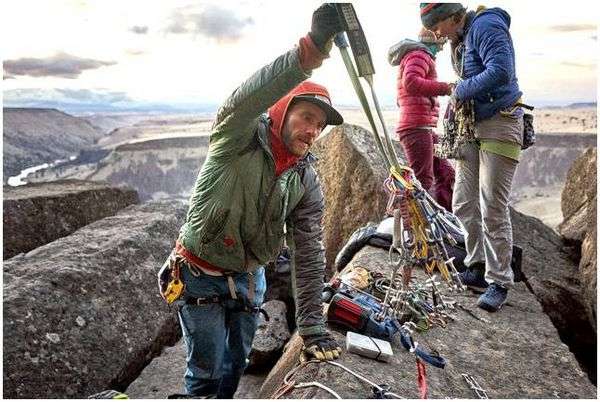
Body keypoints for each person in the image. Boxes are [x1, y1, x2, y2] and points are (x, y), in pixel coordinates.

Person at [163, 4, 344, 398]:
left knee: (237, 361)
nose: (313, 130)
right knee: (206, 368)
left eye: (319, 124)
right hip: (198, 274)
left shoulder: (305, 179)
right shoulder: (238, 135)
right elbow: (250, 95)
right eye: (307, 116)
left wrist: (311, 325)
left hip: (249, 278)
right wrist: (310, 52)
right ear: (282, 109)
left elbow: (308, 250)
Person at [420, 3, 524, 312]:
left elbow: (501, 70)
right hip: (473, 126)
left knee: (492, 203)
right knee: (464, 201)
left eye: (436, 25)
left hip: (500, 123)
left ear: (453, 16)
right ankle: (477, 265)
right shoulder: (461, 36)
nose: (435, 33)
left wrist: (460, 89)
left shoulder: (486, 26)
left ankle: (499, 280)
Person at [388, 27, 455, 211]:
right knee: (422, 180)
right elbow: (410, 82)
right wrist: (445, 88)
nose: (441, 49)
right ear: (433, 41)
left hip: (422, 127)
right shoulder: (419, 55)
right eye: (440, 43)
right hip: (416, 128)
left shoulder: (417, 55)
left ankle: (446, 218)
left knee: (446, 172)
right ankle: (411, 225)